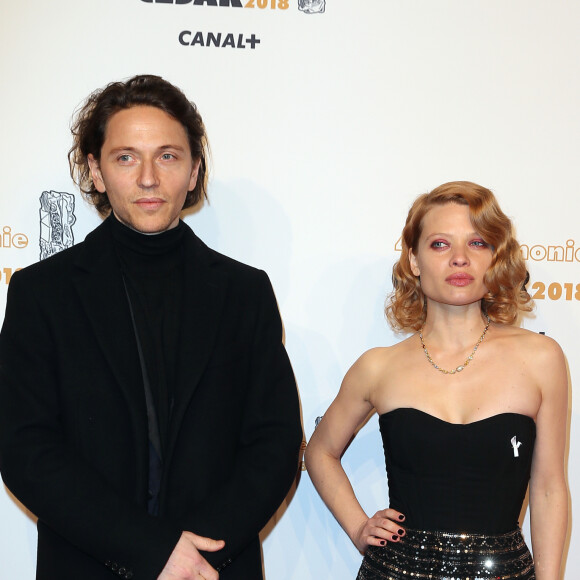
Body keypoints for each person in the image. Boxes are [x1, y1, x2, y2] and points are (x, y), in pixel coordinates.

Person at [0, 74, 302, 580]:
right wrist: (153, 549)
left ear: (192, 171)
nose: (147, 178)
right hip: (88, 564)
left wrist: (195, 554)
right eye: (125, 157)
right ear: (95, 171)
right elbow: (25, 448)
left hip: (213, 569)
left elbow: (274, 445)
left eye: (167, 156)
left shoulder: (244, 292)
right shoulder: (41, 292)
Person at [305, 181, 568, 579]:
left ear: (496, 256)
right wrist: (360, 527)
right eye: (440, 244)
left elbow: (549, 487)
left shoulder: (542, 359)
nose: (460, 259)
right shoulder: (378, 367)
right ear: (413, 260)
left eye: (478, 243)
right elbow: (319, 453)